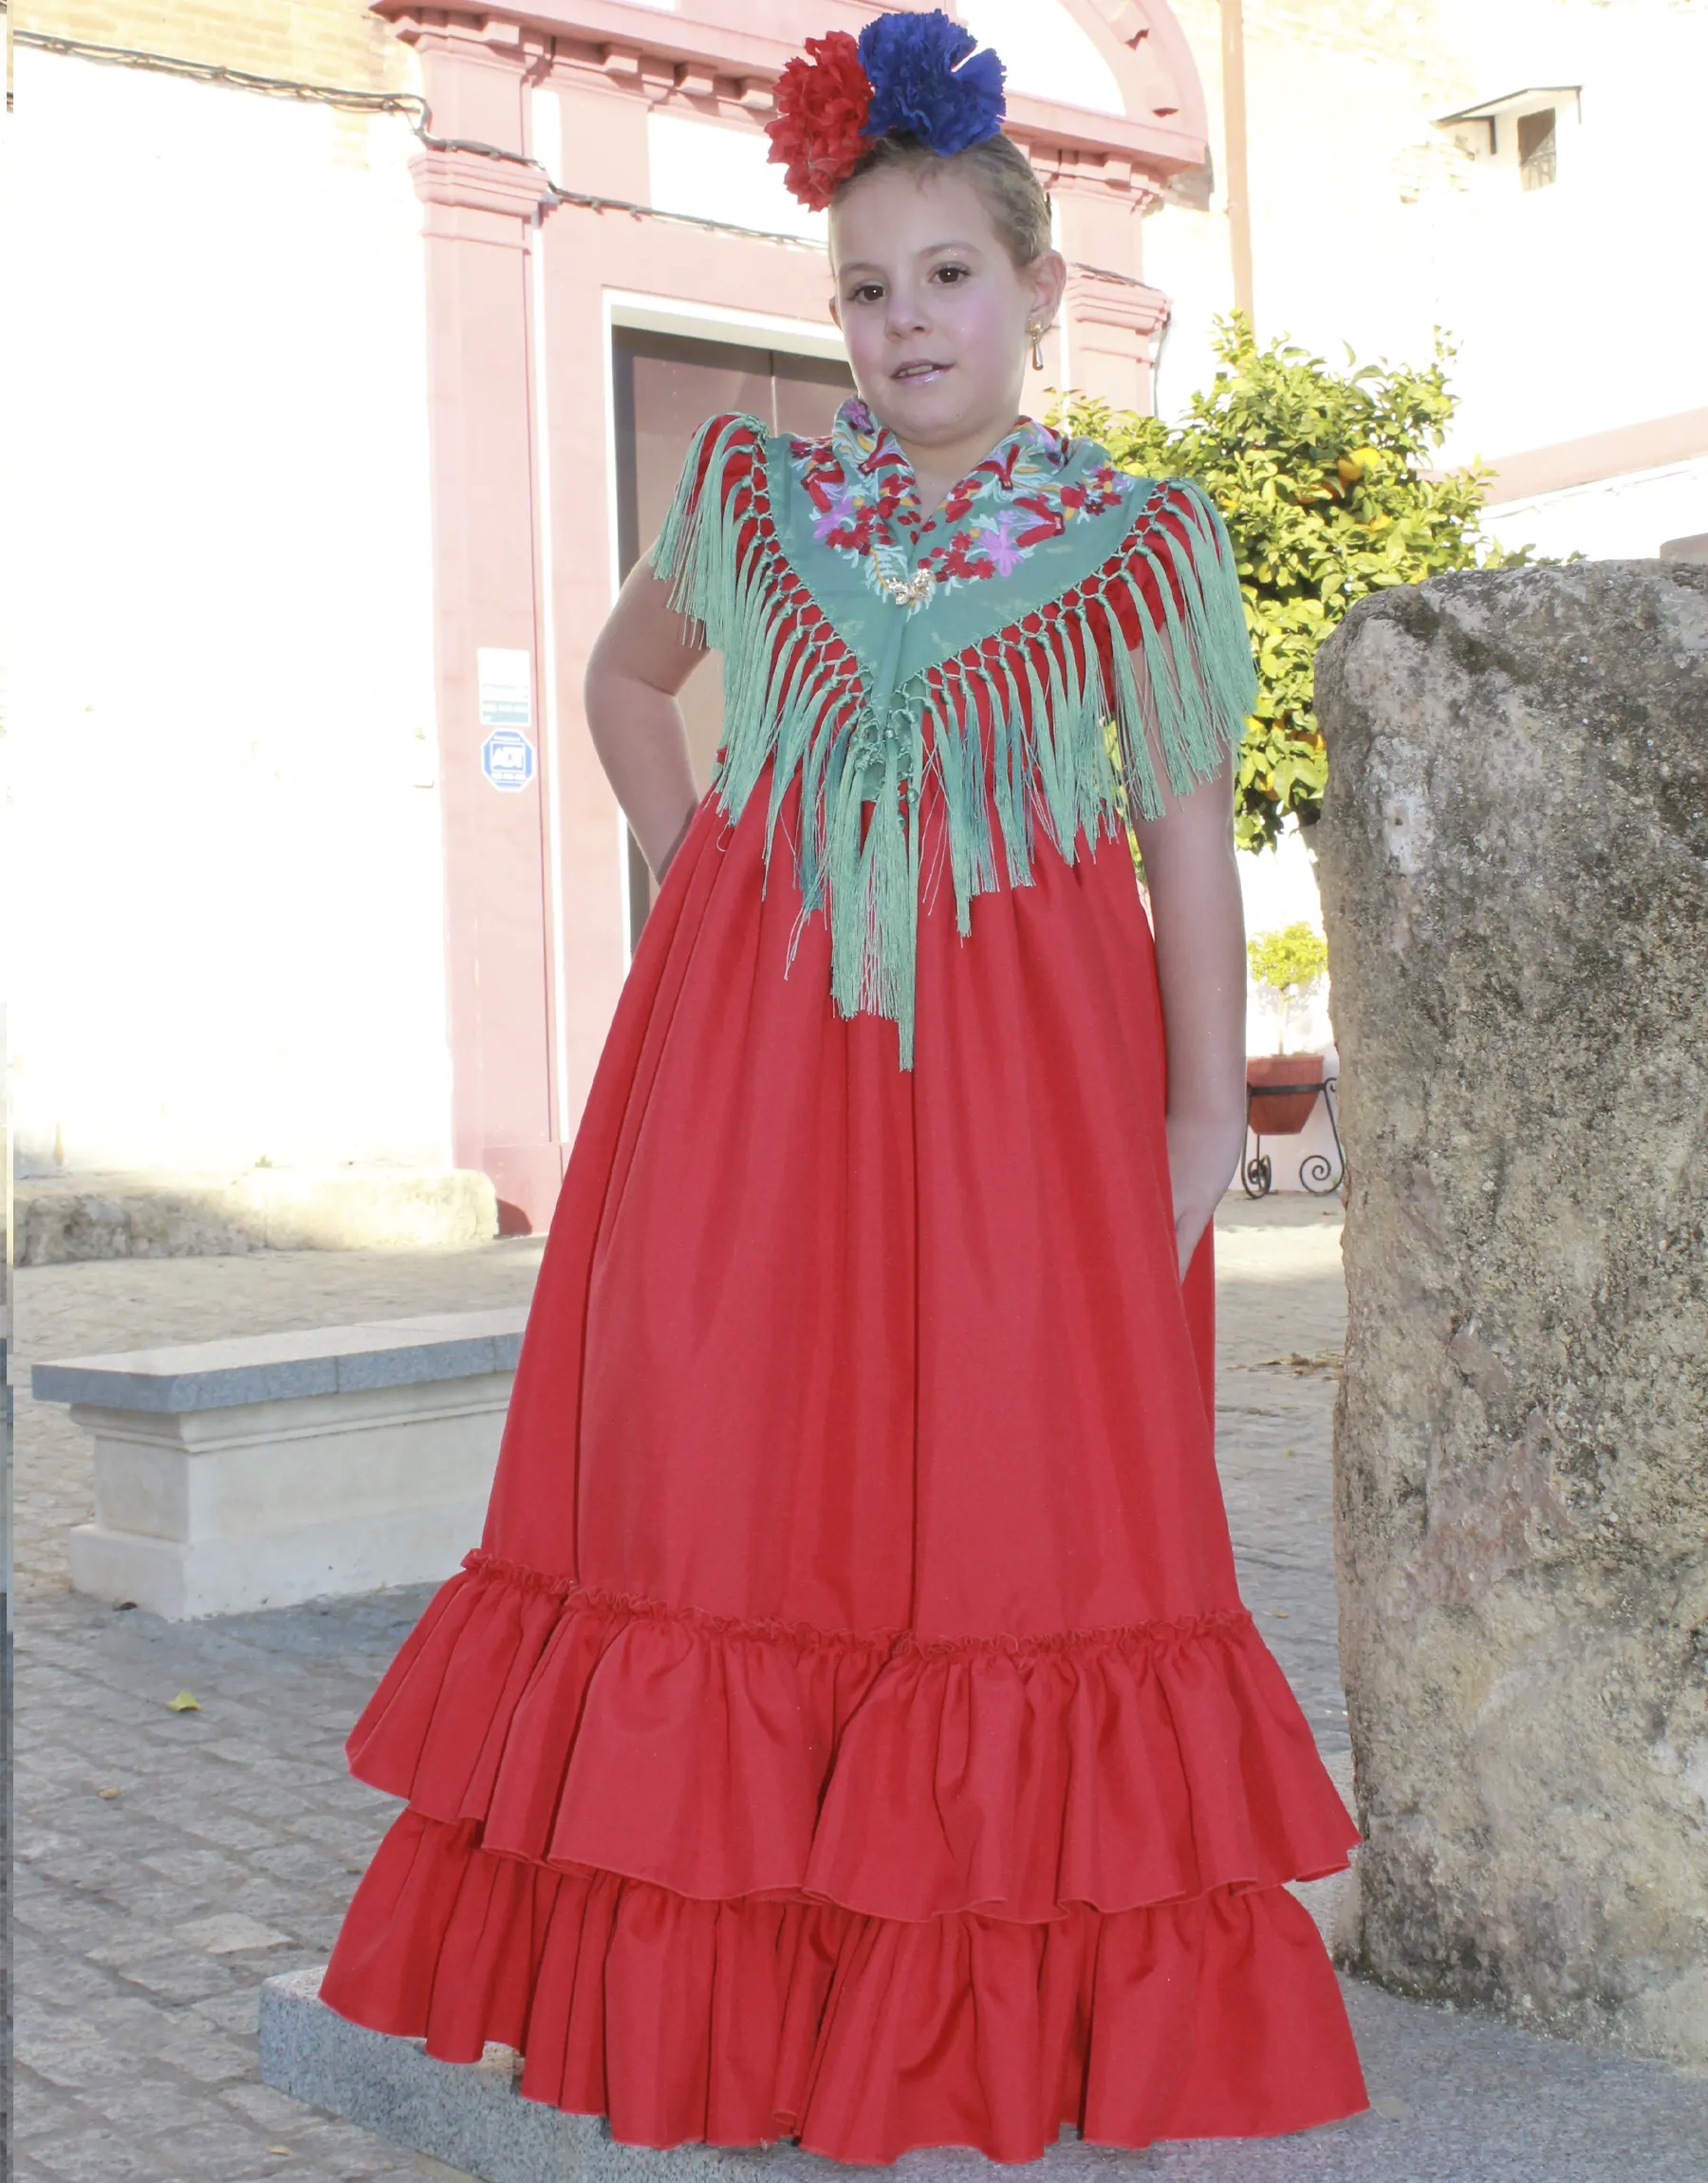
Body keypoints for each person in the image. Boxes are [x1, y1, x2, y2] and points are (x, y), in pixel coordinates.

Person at [320, 10, 1369, 2162]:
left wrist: (1197, 1120)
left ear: (1041, 293)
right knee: (732, 1459)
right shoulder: (762, 497)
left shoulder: (1142, 537)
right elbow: (627, 681)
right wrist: (715, 865)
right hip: (745, 1084)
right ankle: (733, 1969)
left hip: (1033, 1100)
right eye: (867, 288)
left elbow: (1184, 830)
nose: (907, 322)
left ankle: (981, 1999)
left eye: (949, 278)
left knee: (1016, 1487)